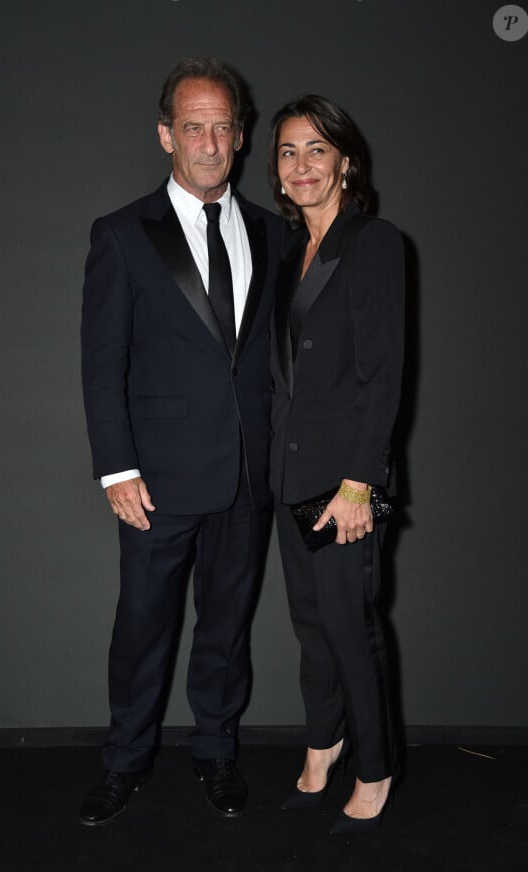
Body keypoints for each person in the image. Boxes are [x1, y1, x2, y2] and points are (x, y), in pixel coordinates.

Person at [79, 57, 282, 826]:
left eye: (221, 127)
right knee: (143, 631)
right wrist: (116, 467)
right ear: (167, 135)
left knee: (226, 633)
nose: (208, 141)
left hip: (247, 478)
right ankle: (124, 763)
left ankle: (217, 754)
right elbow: (102, 363)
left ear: (239, 136)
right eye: (192, 126)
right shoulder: (123, 235)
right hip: (155, 480)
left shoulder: (271, 233)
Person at [268, 95, 404, 835]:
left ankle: (376, 769)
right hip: (292, 473)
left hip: (345, 482)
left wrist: (360, 484)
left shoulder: (376, 243)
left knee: (350, 627)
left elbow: (383, 376)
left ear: (346, 161)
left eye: (317, 149)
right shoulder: (290, 255)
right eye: (289, 152)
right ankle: (324, 745)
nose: (302, 164)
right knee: (311, 624)